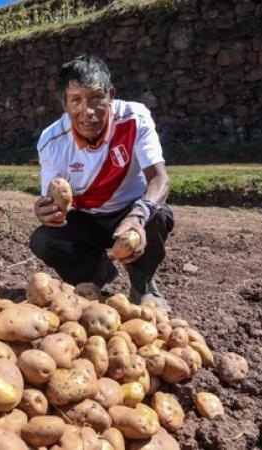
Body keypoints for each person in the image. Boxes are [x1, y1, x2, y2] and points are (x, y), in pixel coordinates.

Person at [30, 55, 174, 308]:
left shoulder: (134, 117)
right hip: (87, 219)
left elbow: (160, 179)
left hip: (130, 212)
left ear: (111, 95)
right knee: (44, 239)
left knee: (157, 214)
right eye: (76, 100)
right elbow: (54, 200)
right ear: (64, 103)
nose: (87, 112)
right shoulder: (52, 141)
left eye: (97, 98)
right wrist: (46, 211)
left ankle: (142, 284)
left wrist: (139, 214)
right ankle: (94, 284)